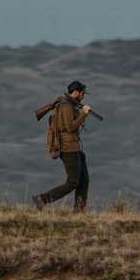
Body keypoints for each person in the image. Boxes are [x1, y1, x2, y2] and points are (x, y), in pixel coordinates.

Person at [32, 80, 92, 212]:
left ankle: (79, 211)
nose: (83, 96)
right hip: (68, 148)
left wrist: (80, 112)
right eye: (82, 93)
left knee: (84, 180)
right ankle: (43, 199)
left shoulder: (70, 105)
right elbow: (70, 127)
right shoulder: (65, 106)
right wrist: (84, 114)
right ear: (76, 93)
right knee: (72, 182)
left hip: (75, 148)